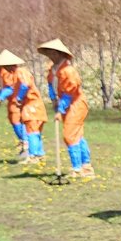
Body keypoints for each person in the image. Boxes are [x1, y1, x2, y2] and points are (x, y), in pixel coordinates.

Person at [39, 38, 93, 178]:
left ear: (59, 53)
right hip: (64, 103)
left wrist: (60, 110)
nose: (50, 56)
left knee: (70, 134)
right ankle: (86, 166)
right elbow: (51, 86)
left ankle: (77, 168)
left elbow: (70, 92)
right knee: (77, 135)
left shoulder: (69, 71)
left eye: (52, 53)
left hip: (76, 104)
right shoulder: (53, 70)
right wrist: (54, 100)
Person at [9, 53, 46, 164]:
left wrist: (19, 97)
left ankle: (33, 155)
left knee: (32, 130)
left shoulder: (21, 72)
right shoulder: (15, 74)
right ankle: (39, 154)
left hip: (32, 105)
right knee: (34, 130)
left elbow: (25, 85)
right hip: (30, 105)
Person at [0, 50, 29, 159]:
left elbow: (9, 88)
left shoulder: (7, 72)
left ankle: (26, 143)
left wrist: (0, 98)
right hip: (11, 100)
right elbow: (3, 88)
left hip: (16, 100)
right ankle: (23, 141)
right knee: (13, 120)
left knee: (17, 120)